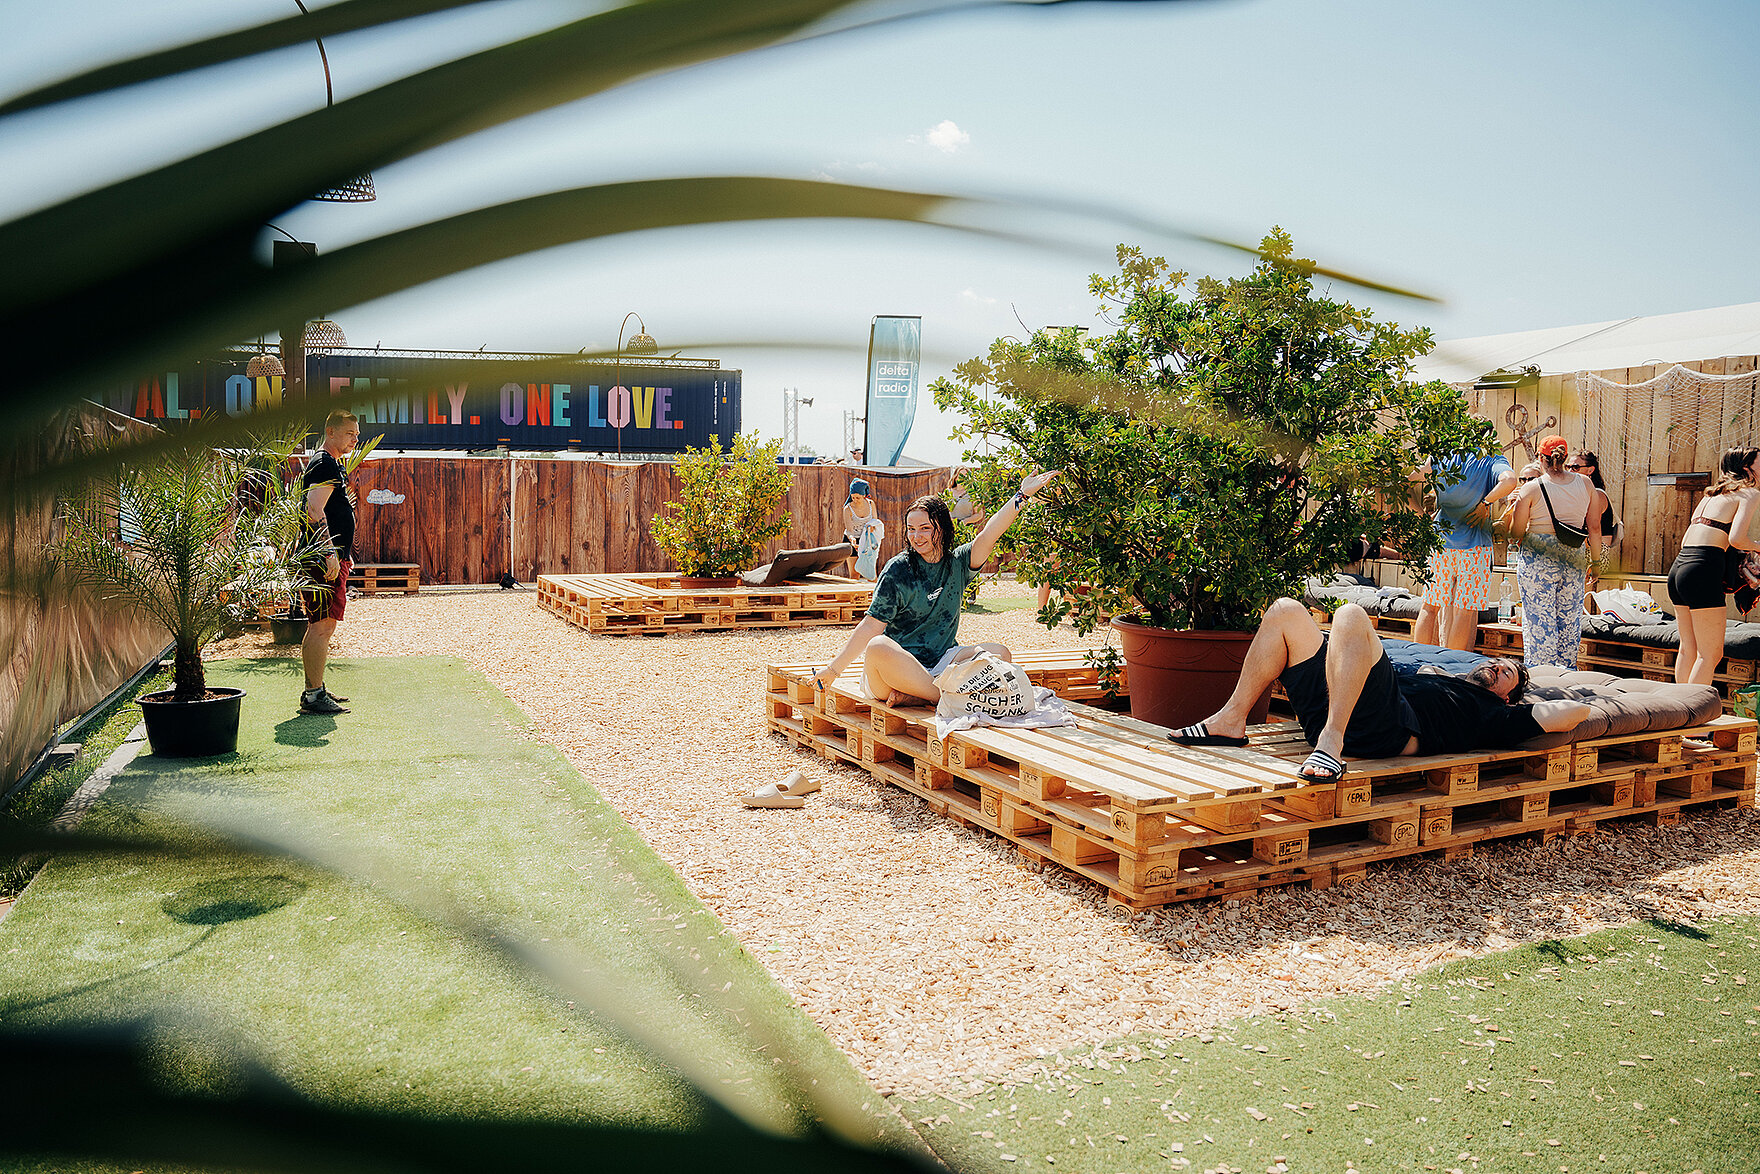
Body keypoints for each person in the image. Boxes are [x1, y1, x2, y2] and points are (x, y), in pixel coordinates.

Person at [1167, 598, 1590, 781]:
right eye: (1495, 663)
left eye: (1505, 675)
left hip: (1381, 730)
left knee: (1350, 614)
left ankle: (1331, 746)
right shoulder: (1433, 676)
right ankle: (1232, 719)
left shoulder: (1495, 714)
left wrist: (1566, 699)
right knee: (1284, 612)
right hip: (1343, 705)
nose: (1495, 669)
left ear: (1507, 696)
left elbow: (1568, 717)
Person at [810, 470, 1060, 705]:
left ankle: (920, 696)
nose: (916, 537)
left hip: (943, 662)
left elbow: (989, 533)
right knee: (877, 647)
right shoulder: (898, 570)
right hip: (896, 671)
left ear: (941, 527)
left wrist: (1022, 495)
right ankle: (944, 697)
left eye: (925, 528)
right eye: (911, 529)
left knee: (1000, 654)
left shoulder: (958, 563)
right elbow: (871, 626)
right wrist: (833, 670)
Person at [1505, 435, 1603, 668]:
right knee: (1569, 621)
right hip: (1573, 555)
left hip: (1538, 556)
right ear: (1565, 457)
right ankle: (1566, 673)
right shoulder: (1586, 484)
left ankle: (1541, 675)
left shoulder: (1531, 488)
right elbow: (1595, 528)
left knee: (1539, 620)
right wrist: (1596, 562)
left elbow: (1516, 533)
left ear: (1540, 458)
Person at [1667, 447, 1760, 685]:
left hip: (1680, 567)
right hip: (1702, 569)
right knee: (1710, 654)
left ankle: (1680, 711)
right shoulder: (1749, 493)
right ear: (1747, 468)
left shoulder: (1711, 495)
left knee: (1688, 648)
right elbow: (1736, 539)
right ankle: (1696, 712)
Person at [1412, 449, 1519, 650]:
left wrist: (1420, 515)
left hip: (1440, 543)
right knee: (1464, 611)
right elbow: (1510, 481)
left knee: (1429, 606)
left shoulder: (1442, 456)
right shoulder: (1491, 459)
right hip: (1475, 546)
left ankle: (1416, 661)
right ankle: (1453, 668)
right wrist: (1485, 503)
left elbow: (1404, 481)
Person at [298, 409, 360, 715]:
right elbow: (313, 509)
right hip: (323, 559)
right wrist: (328, 551)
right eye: (350, 433)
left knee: (324, 625)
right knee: (321, 626)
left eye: (357, 434)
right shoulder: (323, 463)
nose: (355, 439)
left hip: (332, 558)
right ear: (331, 431)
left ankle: (316, 688)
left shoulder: (332, 464)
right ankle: (313, 695)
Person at [1567, 449, 1622, 588]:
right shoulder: (1577, 494)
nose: (1570, 471)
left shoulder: (1597, 494)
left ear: (1590, 470)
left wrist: (1595, 563)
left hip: (1595, 556)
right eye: (1567, 467)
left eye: (1575, 467)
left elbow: (1594, 530)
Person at [841, 478, 884, 580]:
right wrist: (852, 540)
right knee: (855, 574)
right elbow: (849, 530)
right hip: (853, 540)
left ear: (864, 495)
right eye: (853, 497)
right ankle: (856, 596)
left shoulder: (870, 504)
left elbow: (875, 521)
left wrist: (872, 528)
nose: (855, 500)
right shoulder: (848, 509)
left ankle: (876, 595)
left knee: (871, 574)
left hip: (867, 540)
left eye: (858, 497)